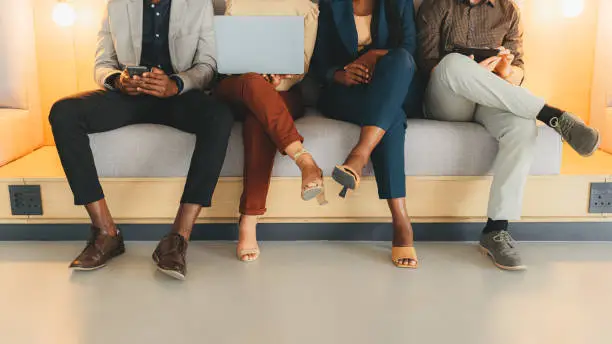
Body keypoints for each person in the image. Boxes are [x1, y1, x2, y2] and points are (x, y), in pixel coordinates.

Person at [48, 0, 233, 280]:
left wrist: (178, 83)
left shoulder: (198, 3)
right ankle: (106, 232)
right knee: (63, 112)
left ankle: (177, 238)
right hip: (128, 97)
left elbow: (208, 64)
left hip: (177, 96)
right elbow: (102, 63)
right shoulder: (117, 3)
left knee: (219, 116)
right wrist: (117, 80)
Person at [416, 0, 601, 270]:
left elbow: (518, 72)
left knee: (522, 127)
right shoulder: (437, 6)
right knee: (452, 64)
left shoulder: (508, 10)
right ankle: (552, 115)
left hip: (491, 99)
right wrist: (473, 72)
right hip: (449, 99)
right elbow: (426, 65)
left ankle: (496, 230)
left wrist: (505, 72)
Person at [311, 0, 420, 268]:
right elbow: (317, 60)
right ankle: (401, 220)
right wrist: (339, 75)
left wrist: (375, 56)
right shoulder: (329, 4)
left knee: (400, 60)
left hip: (391, 84)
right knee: (391, 117)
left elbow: (410, 51)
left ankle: (359, 155)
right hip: (347, 93)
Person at [214, 0, 324, 262]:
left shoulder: (305, 7)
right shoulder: (236, 3)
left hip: (281, 92)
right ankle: (303, 158)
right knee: (253, 81)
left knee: (258, 120)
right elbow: (224, 53)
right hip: (238, 86)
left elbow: (303, 64)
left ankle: (248, 221)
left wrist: (281, 76)